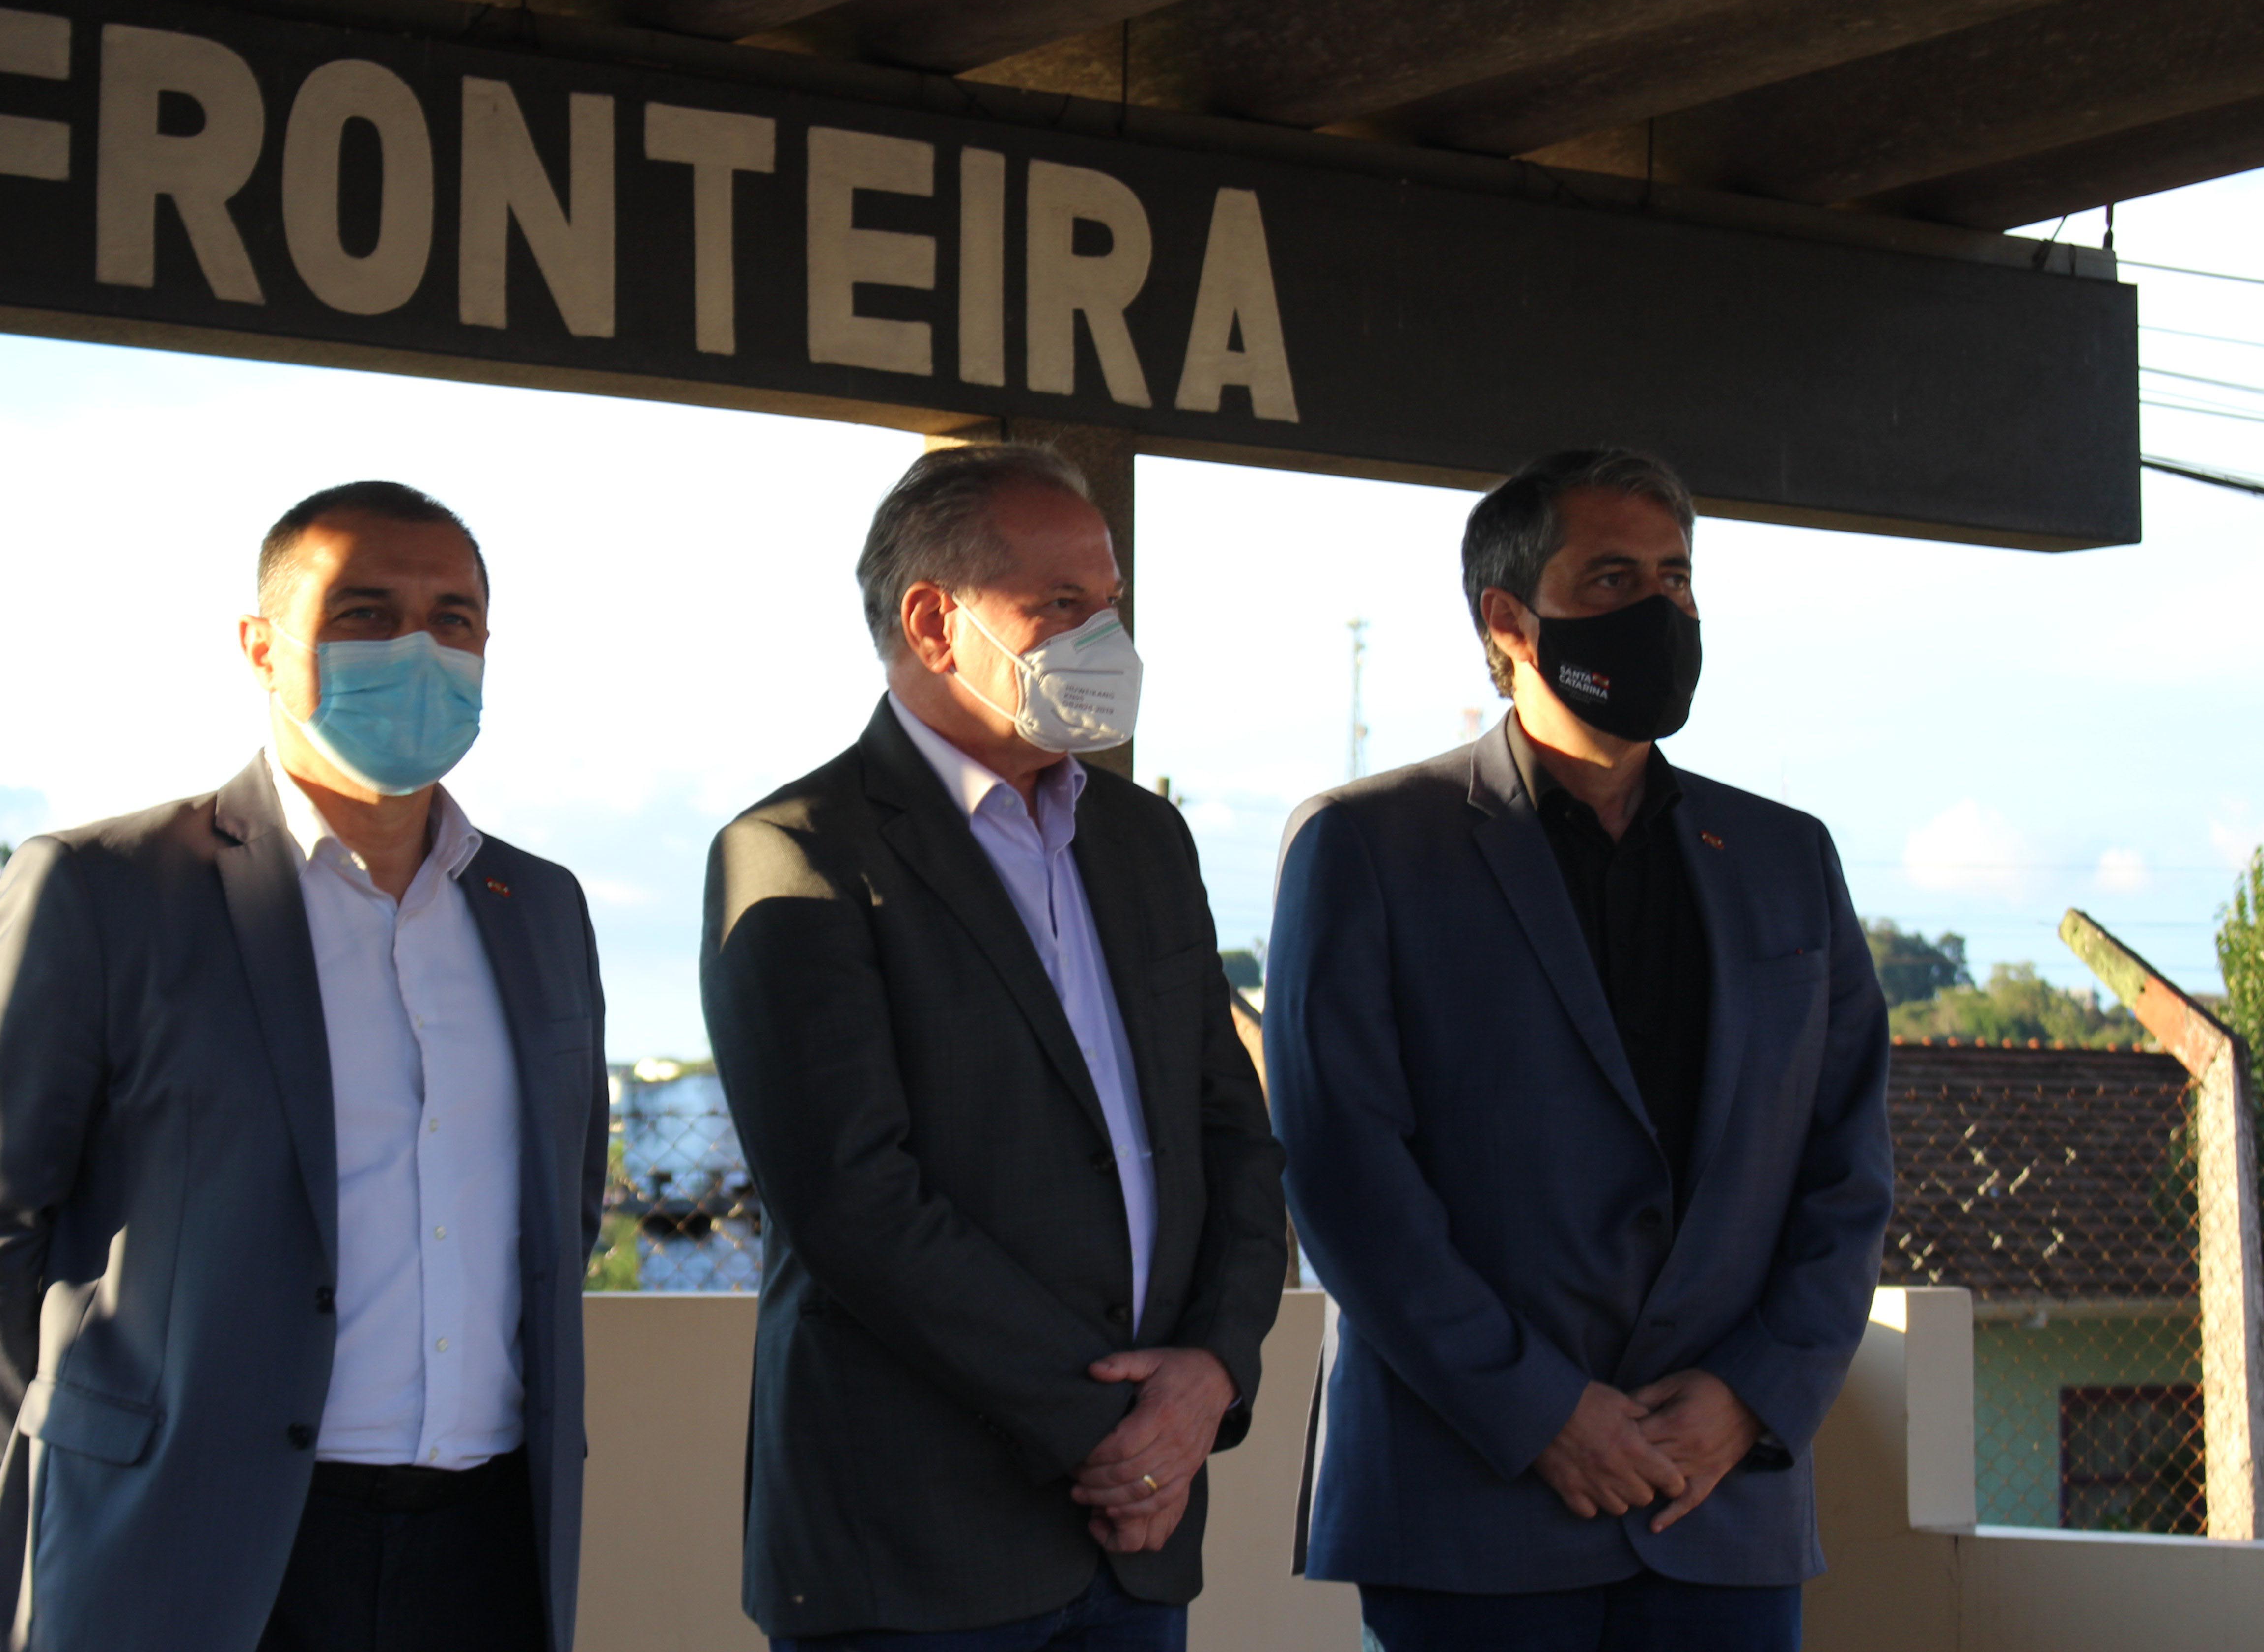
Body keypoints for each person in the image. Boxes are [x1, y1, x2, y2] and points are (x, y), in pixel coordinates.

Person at [0, 481, 610, 1652]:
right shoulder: (109, 891)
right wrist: (111, 1451)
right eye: (366, 613)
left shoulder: (541, 908)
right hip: (199, 1550)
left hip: (488, 1554)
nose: (419, 650)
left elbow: (561, 1207)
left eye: (454, 619)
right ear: (262, 647)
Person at [1268, 448, 1892, 1652]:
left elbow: (1847, 1166)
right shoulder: (1367, 847)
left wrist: (1753, 1396)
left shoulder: (1787, 859)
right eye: (1612, 579)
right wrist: (1541, 1411)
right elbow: (1344, 1176)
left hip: (1722, 1506)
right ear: (1508, 622)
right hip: (1472, 1511)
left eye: (1676, 578)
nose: (1659, 609)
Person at [701, 444, 1291, 1650]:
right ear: (934, 622)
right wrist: (1110, 1429)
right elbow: (855, 1202)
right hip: (914, 1547)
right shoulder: (799, 853)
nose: (1104, 640)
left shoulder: (1146, 842)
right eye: (1061, 605)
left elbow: (1234, 1135)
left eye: (1109, 603)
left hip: (1140, 1536)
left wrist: (1212, 1375)